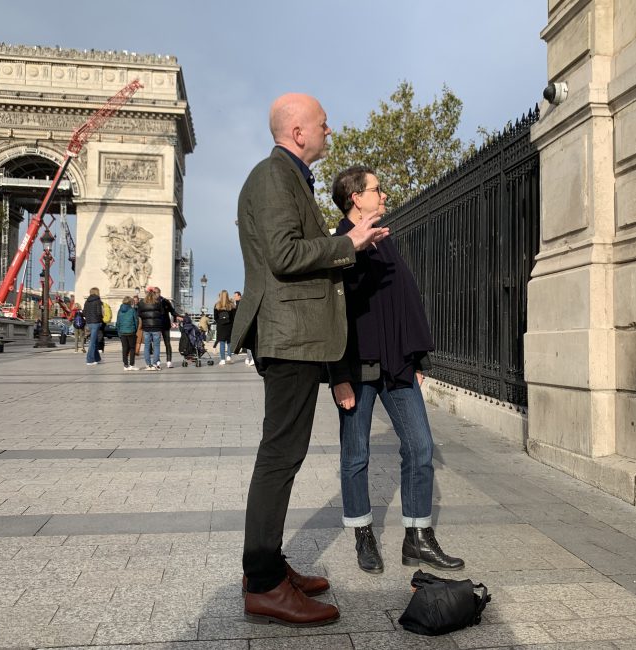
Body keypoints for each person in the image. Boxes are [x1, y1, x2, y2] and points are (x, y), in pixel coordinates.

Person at [231, 92, 389, 627]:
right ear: (297, 131)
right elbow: (284, 254)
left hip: (292, 335)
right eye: (322, 123)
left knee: (283, 454)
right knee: (280, 457)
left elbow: (291, 248)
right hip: (288, 336)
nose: (329, 129)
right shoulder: (274, 175)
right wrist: (349, 243)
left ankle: (267, 568)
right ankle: (265, 583)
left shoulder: (285, 176)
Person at [329, 166, 464, 575]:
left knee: (421, 447)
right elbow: (329, 312)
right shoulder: (337, 243)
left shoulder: (386, 239)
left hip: (397, 365)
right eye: (377, 190)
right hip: (357, 367)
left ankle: (417, 538)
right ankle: (363, 534)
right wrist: (338, 376)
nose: (384, 196)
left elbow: (403, 300)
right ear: (356, 198)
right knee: (356, 455)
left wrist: (417, 357)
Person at [137, 289, 165, 371]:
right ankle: (155, 364)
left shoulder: (142, 303)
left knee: (146, 346)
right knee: (156, 346)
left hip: (146, 327)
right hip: (156, 327)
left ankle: (148, 365)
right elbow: (162, 313)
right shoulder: (158, 302)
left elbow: (139, 314)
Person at [153, 287, 178, 368]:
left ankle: (169, 361)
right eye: (155, 292)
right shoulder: (151, 301)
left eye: (157, 292)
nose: (156, 294)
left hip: (165, 324)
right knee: (156, 344)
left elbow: (172, 311)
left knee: (167, 343)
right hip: (156, 325)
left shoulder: (165, 301)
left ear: (160, 292)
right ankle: (157, 361)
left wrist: (175, 319)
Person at [116, 296, 139, 371]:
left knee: (124, 348)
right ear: (130, 303)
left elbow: (118, 322)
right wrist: (135, 330)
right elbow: (136, 321)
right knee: (132, 348)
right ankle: (132, 365)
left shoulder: (120, 311)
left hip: (122, 332)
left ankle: (125, 365)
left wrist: (119, 332)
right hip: (131, 331)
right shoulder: (132, 310)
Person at [213, 290, 235, 365]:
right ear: (228, 296)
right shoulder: (231, 305)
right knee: (229, 342)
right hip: (229, 326)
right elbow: (233, 317)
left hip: (221, 326)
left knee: (222, 343)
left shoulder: (217, 305)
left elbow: (215, 317)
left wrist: (220, 322)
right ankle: (229, 356)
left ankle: (222, 359)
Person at [83, 288, 104, 366]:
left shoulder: (87, 301)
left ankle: (97, 358)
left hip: (89, 322)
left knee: (94, 341)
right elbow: (99, 313)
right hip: (96, 322)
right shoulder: (98, 301)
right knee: (92, 342)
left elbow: (84, 312)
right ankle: (90, 360)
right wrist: (100, 320)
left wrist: (88, 318)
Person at [233, 291, 254, 366]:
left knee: (247, 342)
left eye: (235, 296)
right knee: (246, 343)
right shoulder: (238, 304)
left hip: (244, 324)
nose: (234, 297)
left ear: (239, 296)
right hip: (244, 324)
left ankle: (251, 358)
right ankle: (249, 358)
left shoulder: (240, 304)